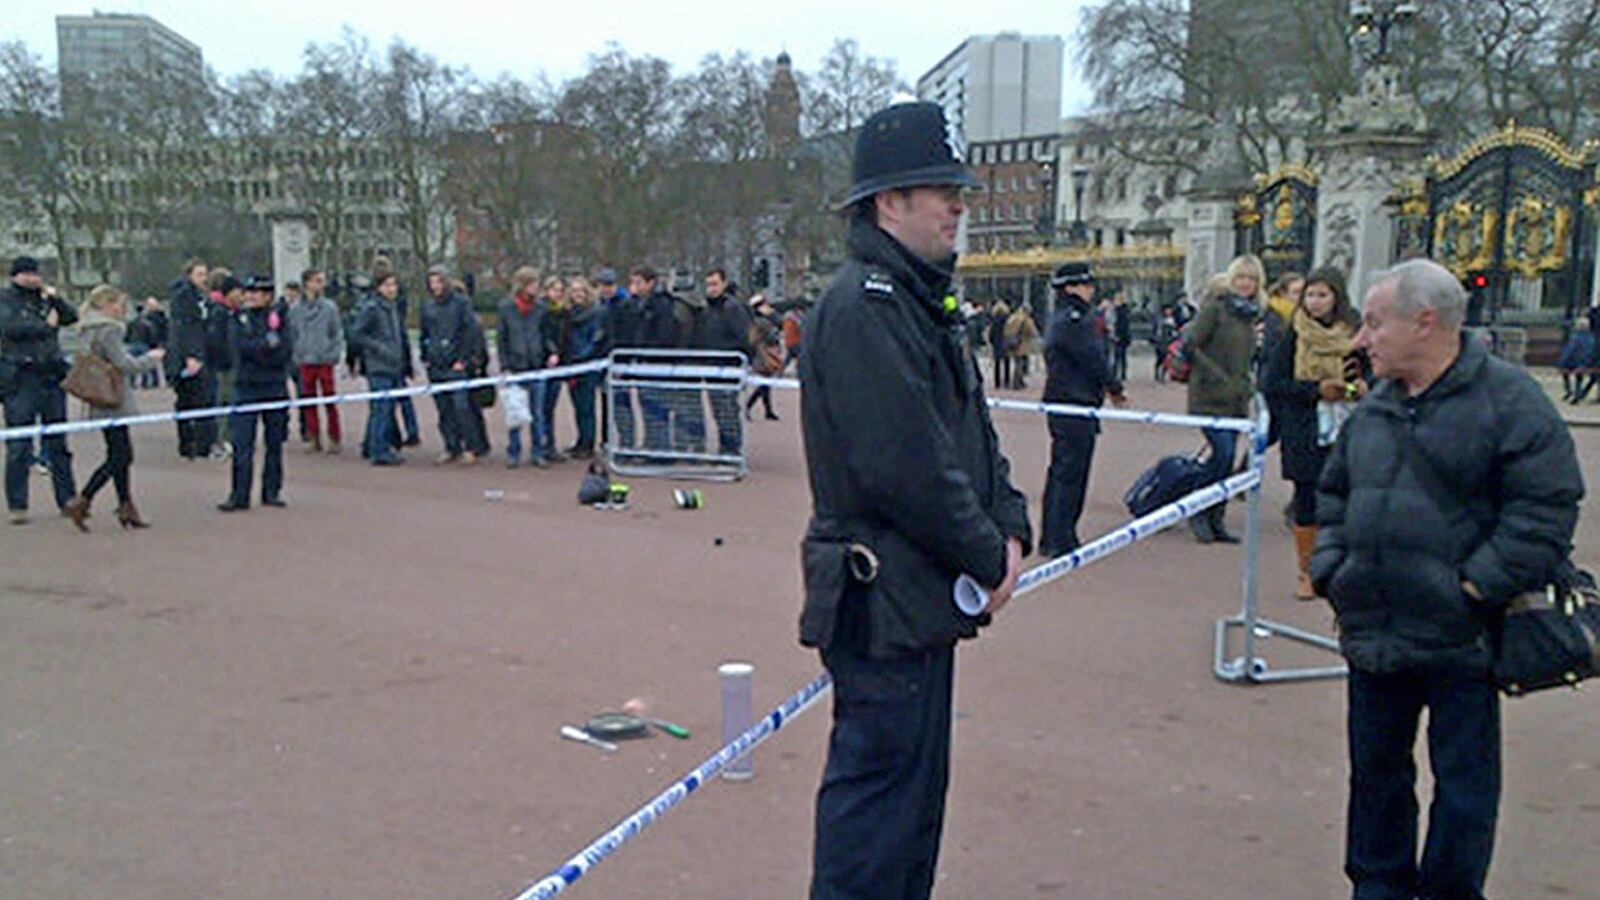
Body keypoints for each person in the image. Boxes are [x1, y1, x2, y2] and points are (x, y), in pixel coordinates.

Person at [799, 100, 1031, 900]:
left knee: (911, 813)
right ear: (888, 203)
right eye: (940, 189)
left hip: (918, 596)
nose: (958, 204)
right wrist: (984, 551)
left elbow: (972, 434)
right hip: (881, 599)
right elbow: (907, 467)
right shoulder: (865, 308)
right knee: (876, 819)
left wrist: (1012, 525)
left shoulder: (917, 301)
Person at [1310, 258, 1583, 900]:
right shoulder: (1374, 405)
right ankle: (1376, 888)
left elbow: (1545, 509)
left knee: (1463, 787)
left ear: (1424, 322)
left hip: (1463, 635)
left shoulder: (1510, 400)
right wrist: (1333, 571)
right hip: (1373, 624)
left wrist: (1473, 587)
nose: (1362, 337)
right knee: (1374, 777)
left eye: (1375, 323)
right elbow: (1333, 495)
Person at [1263, 267, 1365, 600]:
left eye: (1323, 294)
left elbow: (1377, 373)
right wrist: (1315, 390)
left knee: (1345, 497)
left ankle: (1340, 565)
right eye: (1310, 294)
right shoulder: (1293, 333)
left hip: (1347, 426)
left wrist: (1360, 387)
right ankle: (1306, 570)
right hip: (1305, 427)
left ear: (1337, 297)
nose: (1315, 302)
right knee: (1306, 498)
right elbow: (1272, 383)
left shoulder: (1355, 332)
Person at [1038, 262, 1128, 558]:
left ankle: (1052, 535)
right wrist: (1114, 386)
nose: (1091, 290)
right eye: (1086, 284)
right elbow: (1093, 357)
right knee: (1072, 473)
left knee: (1060, 471)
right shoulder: (1078, 319)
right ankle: (1063, 538)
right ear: (1072, 287)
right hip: (1076, 401)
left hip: (1063, 401)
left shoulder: (1061, 317)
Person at [61, 285, 165, 530]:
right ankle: (84, 498)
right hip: (113, 398)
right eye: (118, 304)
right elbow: (124, 364)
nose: (122, 309)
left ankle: (126, 505)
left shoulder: (87, 330)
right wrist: (151, 359)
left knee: (118, 453)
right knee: (121, 455)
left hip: (99, 397)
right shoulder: (109, 331)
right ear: (106, 305)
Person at [1186, 256, 1263, 544]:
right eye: (1241, 278)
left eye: (1251, 279)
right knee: (1222, 455)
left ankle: (1216, 517)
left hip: (1236, 398)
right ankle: (1198, 510)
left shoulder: (1250, 315)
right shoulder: (1215, 309)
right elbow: (1191, 344)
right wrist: (1217, 375)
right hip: (1210, 394)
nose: (1245, 284)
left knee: (1225, 459)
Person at [1, 255, 78, 524]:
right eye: (27, 274)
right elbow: (11, 328)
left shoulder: (44, 300)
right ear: (16, 276)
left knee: (58, 441)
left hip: (51, 376)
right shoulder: (6, 300)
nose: (33, 278)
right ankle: (18, 504)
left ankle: (67, 498)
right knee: (20, 445)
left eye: (36, 273)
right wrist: (46, 326)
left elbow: (71, 316)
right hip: (21, 378)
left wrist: (55, 299)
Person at [217, 277, 293, 512]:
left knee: (275, 443)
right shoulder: (239, 319)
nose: (251, 296)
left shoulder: (279, 318)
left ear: (268, 296)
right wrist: (266, 346)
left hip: (274, 386)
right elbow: (239, 347)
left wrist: (266, 348)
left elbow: (285, 350)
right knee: (242, 444)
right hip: (246, 387)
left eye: (257, 292)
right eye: (249, 292)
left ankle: (271, 491)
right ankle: (239, 495)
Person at [419, 265, 479, 465]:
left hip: (456, 364)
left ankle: (470, 446)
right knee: (444, 409)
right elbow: (424, 333)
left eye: (438, 281)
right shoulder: (428, 306)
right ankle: (450, 446)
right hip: (436, 365)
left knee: (462, 407)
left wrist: (463, 359)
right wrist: (425, 355)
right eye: (431, 282)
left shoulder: (461, 303)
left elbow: (470, 332)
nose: (435, 286)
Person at [349, 270, 408, 466]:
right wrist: (378, 348)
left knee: (384, 408)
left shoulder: (392, 308)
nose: (392, 289)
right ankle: (379, 450)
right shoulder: (372, 308)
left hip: (393, 364)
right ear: (379, 287)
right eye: (388, 285)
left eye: (394, 285)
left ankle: (371, 444)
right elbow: (357, 334)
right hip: (379, 365)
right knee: (381, 409)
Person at [498, 267, 554, 468]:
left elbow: (546, 334)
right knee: (515, 413)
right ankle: (514, 451)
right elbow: (502, 339)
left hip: (536, 365)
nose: (536, 288)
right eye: (533, 284)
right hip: (515, 366)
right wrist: (504, 364)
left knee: (537, 413)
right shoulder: (506, 308)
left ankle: (538, 451)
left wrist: (551, 352)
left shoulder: (541, 308)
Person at [696, 267, 755, 454]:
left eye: (715, 284)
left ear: (724, 283)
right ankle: (726, 447)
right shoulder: (708, 310)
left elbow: (746, 337)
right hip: (712, 366)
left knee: (728, 410)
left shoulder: (732, 308)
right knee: (719, 410)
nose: (711, 289)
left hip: (729, 366)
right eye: (708, 285)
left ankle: (732, 449)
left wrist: (742, 360)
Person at [287, 269, 344, 454]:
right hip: (305, 360)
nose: (321, 284)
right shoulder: (295, 310)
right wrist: (297, 355)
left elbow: (336, 333)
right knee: (308, 400)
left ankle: (334, 437)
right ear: (308, 284)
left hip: (324, 360)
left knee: (330, 400)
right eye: (317, 281)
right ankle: (313, 437)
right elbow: (292, 334)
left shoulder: (330, 308)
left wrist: (333, 354)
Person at [166, 259, 214, 460]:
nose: (204, 278)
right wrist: (191, 355)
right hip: (188, 357)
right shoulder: (185, 297)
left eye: (205, 274)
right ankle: (194, 444)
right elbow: (186, 328)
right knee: (194, 399)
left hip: (192, 353)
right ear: (189, 276)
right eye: (200, 274)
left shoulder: (199, 296)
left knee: (192, 400)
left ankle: (193, 443)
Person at [597, 267, 640, 448]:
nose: (606, 288)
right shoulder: (600, 305)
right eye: (603, 285)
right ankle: (607, 440)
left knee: (622, 403)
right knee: (607, 403)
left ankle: (627, 441)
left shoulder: (626, 304)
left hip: (620, 361)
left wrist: (623, 361)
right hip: (604, 361)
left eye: (609, 285)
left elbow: (627, 335)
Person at [564, 275, 606, 459]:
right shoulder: (568, 314)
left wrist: (582, 357)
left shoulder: (596, 313)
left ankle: (588, 443)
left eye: (581, 290)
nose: (577, 294)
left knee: (587, 406)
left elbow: (595, 339)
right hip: (572, 365)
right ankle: (580, 441)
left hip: (588, 365)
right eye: (574, 291)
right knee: (577, 406)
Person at [536, 275, 571, 462]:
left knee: (550, 408)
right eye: (554, 290)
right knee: (540, 408)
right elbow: (543, 335)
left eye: (560, 290)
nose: (557, 294)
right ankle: (541, 445)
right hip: (544, 363)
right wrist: (551, 351)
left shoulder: (565, 313)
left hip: (559, 365)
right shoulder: (542, 311)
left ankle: (550, 446)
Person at [745, 293, 784, 421]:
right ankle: (748, 406)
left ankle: (768, 411)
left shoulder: (762, 320)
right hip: (763, 355)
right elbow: (769, 336)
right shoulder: (762, 322)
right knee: (764, 384)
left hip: (763, 354)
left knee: (766, 385)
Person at [1557, 316, 1595, 404]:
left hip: (1574, 362)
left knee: (1565, 372)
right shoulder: (1591, 337)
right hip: (1586, 362)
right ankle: (1577, 394)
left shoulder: (1575, 337)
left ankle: (1569, 391)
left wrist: (1562, 361)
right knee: (1579, 377)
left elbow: (1570, 350)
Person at [988, 299, 1012, 389]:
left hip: (997, 343)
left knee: (997, 364)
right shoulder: (1008, 319)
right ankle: (1007, 382)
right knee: (1007, 364)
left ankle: (997, 383)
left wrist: (992, 342)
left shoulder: (994, 320)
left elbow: (991, 333)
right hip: (1005, 342)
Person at [1109, 290, 1132, 382]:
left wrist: (1117, 335)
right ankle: (1122, 374)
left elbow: (1121, 324)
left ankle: (1117, 374)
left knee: (1118, 356)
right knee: (1121, 356)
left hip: (1120, 336)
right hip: (1123, 336)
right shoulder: (1123, 310)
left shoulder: (1120, 311)